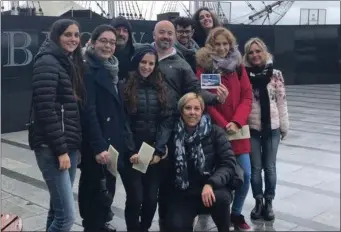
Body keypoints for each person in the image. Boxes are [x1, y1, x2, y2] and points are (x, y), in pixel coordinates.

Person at [151, 20, 229, 231]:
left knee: (167, 181)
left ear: (174, 36)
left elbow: (195, 90)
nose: (166, 36)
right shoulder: (144, 58)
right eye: (162, 33)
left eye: (170, 33)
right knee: (152, 189)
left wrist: (214, 99)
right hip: (146, 128)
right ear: (154, 34)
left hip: (169, 129)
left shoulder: (181, 64)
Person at [28, 18, 84, 232]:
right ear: (56, 36)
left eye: (76, 35)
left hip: (67, 144)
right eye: (67, 34)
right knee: (66, 218)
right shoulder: (48, 61)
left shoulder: (66, 61)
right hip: (52, 146)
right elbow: (46, 109)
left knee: (57, 210)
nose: (73, 39)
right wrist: (61, 151)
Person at [78, 24, 135, 232]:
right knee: (94, 189)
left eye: (112, 42)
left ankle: (100, 223)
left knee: (106, 187)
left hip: (112, 140)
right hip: (98, 142)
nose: (108, 45)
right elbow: (88, 111)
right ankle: (92, 226)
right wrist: (99, 146)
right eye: (103, 41)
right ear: (92, 42)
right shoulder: (87, 69)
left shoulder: (111, 67)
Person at [195, 27, 253, 231]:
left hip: (237, 130)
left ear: (231, 44)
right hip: (215, 130)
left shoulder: (238, 66)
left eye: (225, 43)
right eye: (217, 44)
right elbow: (203, 99)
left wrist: (237, 121)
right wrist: (221, 123)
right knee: (218, 174)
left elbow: (247, 96)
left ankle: (236, 214)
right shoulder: (204, 67)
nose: (221, 48)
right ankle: (221, 214)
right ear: (211, 45)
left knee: (246, 175)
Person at [165, 92, 237, 232]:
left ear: (202, 110)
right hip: (184, 192)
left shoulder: (215, 132)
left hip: (210, 188)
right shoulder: (172, 134)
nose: (192, 112)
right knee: (176, 226)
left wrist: (211, 183)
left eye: (196, 108)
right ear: (181, 110)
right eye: (188, 108)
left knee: (221, 199)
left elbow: (228, 163)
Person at [120, 45, 173, 232]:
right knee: (136, 198)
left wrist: (159, 149)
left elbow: (166, 120)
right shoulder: (125, 86)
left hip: (153, 153)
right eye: (144, 62)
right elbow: (123, 121)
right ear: (137, 63)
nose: (147, 67)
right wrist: (131, 150)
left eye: (151, 63)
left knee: (151, 199)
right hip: (132, 153)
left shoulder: (161, 87)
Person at [243, 37, 289, 221]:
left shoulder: (275, 74)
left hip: (272, 128)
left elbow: (281, 100)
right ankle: (258, 201)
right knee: (255, 168)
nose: (255, 55)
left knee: (270, 168)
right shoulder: (243, 74)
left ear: (264, 52)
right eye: (251, 52)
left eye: (258, 51)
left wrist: (284, 126)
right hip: (252, 128)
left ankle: (269, 201)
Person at [110, 16, 140, 81]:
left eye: (125, 31)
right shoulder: (102, 55)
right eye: (117, 30)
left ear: (129, 35)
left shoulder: (136, 56)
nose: (121, 34)